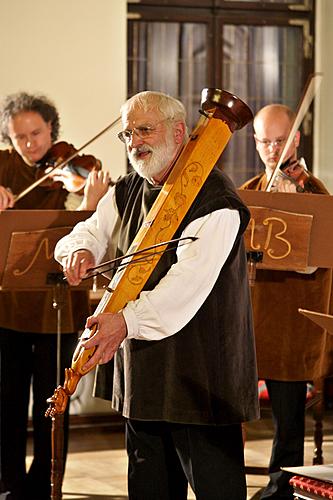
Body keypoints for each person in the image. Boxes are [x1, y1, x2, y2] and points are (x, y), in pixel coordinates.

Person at [54, 90, 259, 500]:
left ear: (179, 131)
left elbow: (184, 288)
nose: (135, 142)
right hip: (143, 375)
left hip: (201, 380)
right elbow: (92, 230)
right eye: (128, 134)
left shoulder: (217, 201)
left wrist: (124, 321)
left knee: (216, 490)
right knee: (150, 490)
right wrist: (79, 249)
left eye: (145, 129)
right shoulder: (128, 188)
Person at [0, 91, 110, 500]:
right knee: (6, 403)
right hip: (7, 307)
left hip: (59, 309)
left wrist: (89, 201)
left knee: (51, 403)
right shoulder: (1, 166)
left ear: (52, 129)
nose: (31, 145)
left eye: (37, 133)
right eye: (20, 138)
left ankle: (44, 485)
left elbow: (100, 231)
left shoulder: (82, 167)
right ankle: (8, 484)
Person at [241, 104, 333, 500]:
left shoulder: (314, 193)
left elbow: (318, 265)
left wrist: (296, 208)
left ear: (295, 139)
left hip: (292, 325)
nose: (273, 150)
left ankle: (281, 490)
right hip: (255, 319)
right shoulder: (248, 191)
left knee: (288, 420)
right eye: (265, 142)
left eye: (281, 141)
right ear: (255, 142)